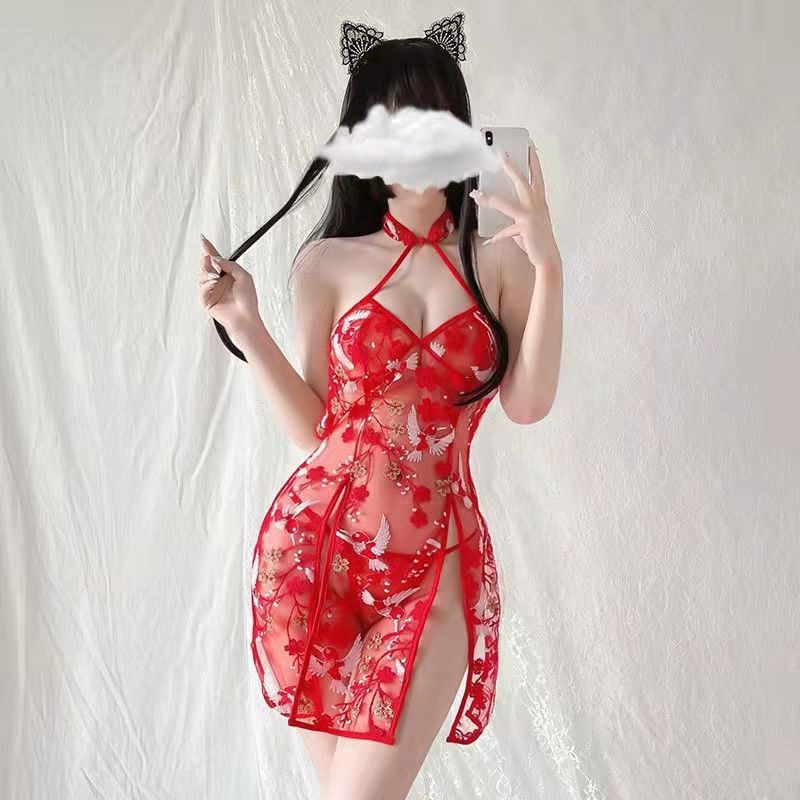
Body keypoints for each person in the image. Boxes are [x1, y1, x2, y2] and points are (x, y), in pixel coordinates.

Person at [196, 13, 563, 800]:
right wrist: (245, 325)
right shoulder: (326, 264)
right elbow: (313, 429)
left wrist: (550, 267)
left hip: (436, 568)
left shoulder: (502, 262)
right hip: (312, 558)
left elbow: (529, 403)